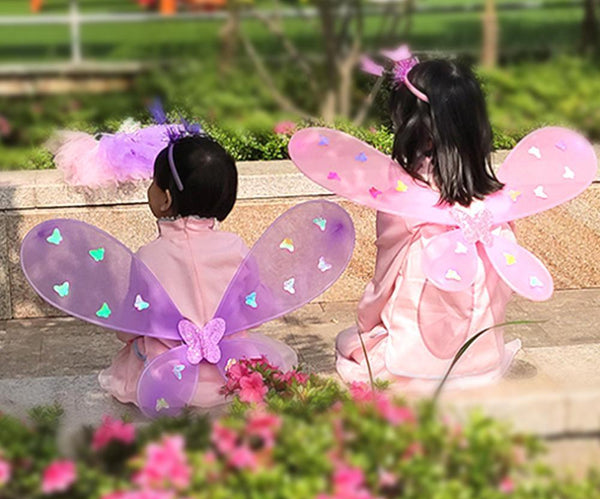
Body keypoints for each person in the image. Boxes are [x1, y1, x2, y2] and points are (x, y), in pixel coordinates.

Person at [335, 59, 521, 393]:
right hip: (482, 361)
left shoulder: (405, 198)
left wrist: (366, 322)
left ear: (415, 126)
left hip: (413, 368)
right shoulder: (498, 203)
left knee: (352, 346)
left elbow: (383, 281)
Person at [98, 134, 296, 408]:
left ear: (165, 199)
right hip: (231, 370)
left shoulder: (148, 256)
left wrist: (130, 338)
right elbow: (254, 309)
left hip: (168, 376)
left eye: (154, 182)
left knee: (132, 357)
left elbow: (131, 325)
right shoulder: (235, 247)